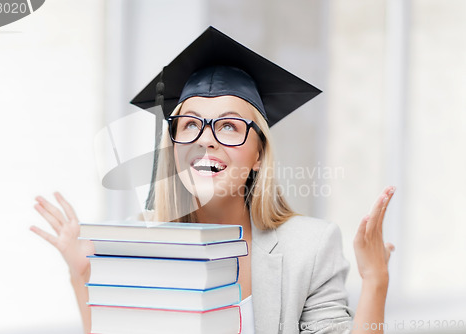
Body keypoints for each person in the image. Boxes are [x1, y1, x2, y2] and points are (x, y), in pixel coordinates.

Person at [30, 27, 395, 334]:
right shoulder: (141, 242)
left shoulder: (309, 247)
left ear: (258, 156)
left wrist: (375, 280)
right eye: (190, 124)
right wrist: (83, 274)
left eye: (229, 126)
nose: (205, 139)